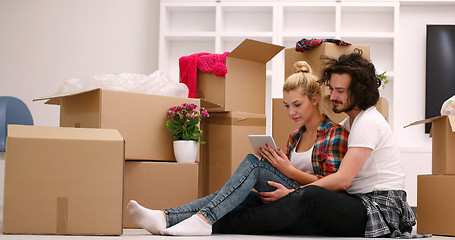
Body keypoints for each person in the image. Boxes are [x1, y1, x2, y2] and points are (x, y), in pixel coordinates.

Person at [212, 50, 429, 238]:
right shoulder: (349, 122)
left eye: (340, 91)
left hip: (378, 208)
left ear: (359, 91)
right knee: (263, 200)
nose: (332, 96)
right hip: (358, 202)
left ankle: (219, 224)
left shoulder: (368, 122)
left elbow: (342, 180)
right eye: (331, 89)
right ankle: (203, 217)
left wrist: (293, 193)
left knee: (310, 197)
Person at [126, 61, 349, 236]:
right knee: (233, 195)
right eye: (287, 106)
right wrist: (278, 167)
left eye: (297, 105)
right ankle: (165, 218)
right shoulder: (295, 137)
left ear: (314, 99)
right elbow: (290, 176)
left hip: (310, 211)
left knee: (254, 165)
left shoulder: (334, 134)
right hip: (287, 199)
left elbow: (333, 191)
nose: (291, 112)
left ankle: (203, 220)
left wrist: (290, 177)